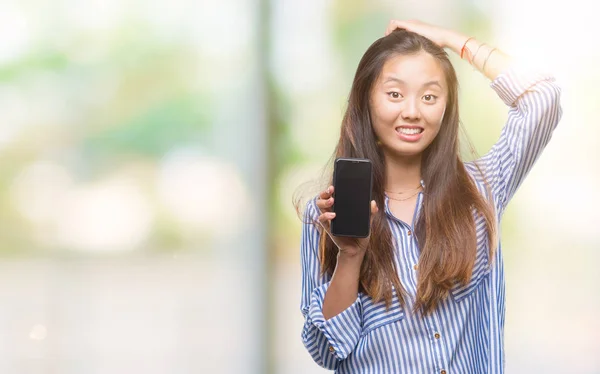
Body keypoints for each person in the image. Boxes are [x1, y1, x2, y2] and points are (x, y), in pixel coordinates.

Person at [298, 19, 562, 373]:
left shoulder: (480, 190)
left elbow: (542, 98)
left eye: (429, 96)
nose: (412, 111)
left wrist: (450, 42)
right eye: (395, 94)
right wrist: (350, 256)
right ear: (366, 99)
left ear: (446, 106)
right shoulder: (328, 215)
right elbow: (329, 352)